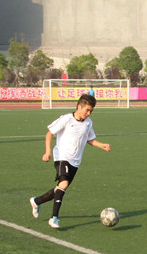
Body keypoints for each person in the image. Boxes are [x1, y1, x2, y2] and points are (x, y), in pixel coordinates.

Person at [29, 93, 111, 229]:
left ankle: (36, 201)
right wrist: (47, 152)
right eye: (87, 110)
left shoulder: (88, 123)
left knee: (60, 188)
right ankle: (54, 218)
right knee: (64, 183)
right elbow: (49, 133)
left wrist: (101, 145)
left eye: (91, 111)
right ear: (79, 107)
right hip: (62, 157)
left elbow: (90, 139)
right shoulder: (67, 119)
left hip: (75, 161)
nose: (89, 113)